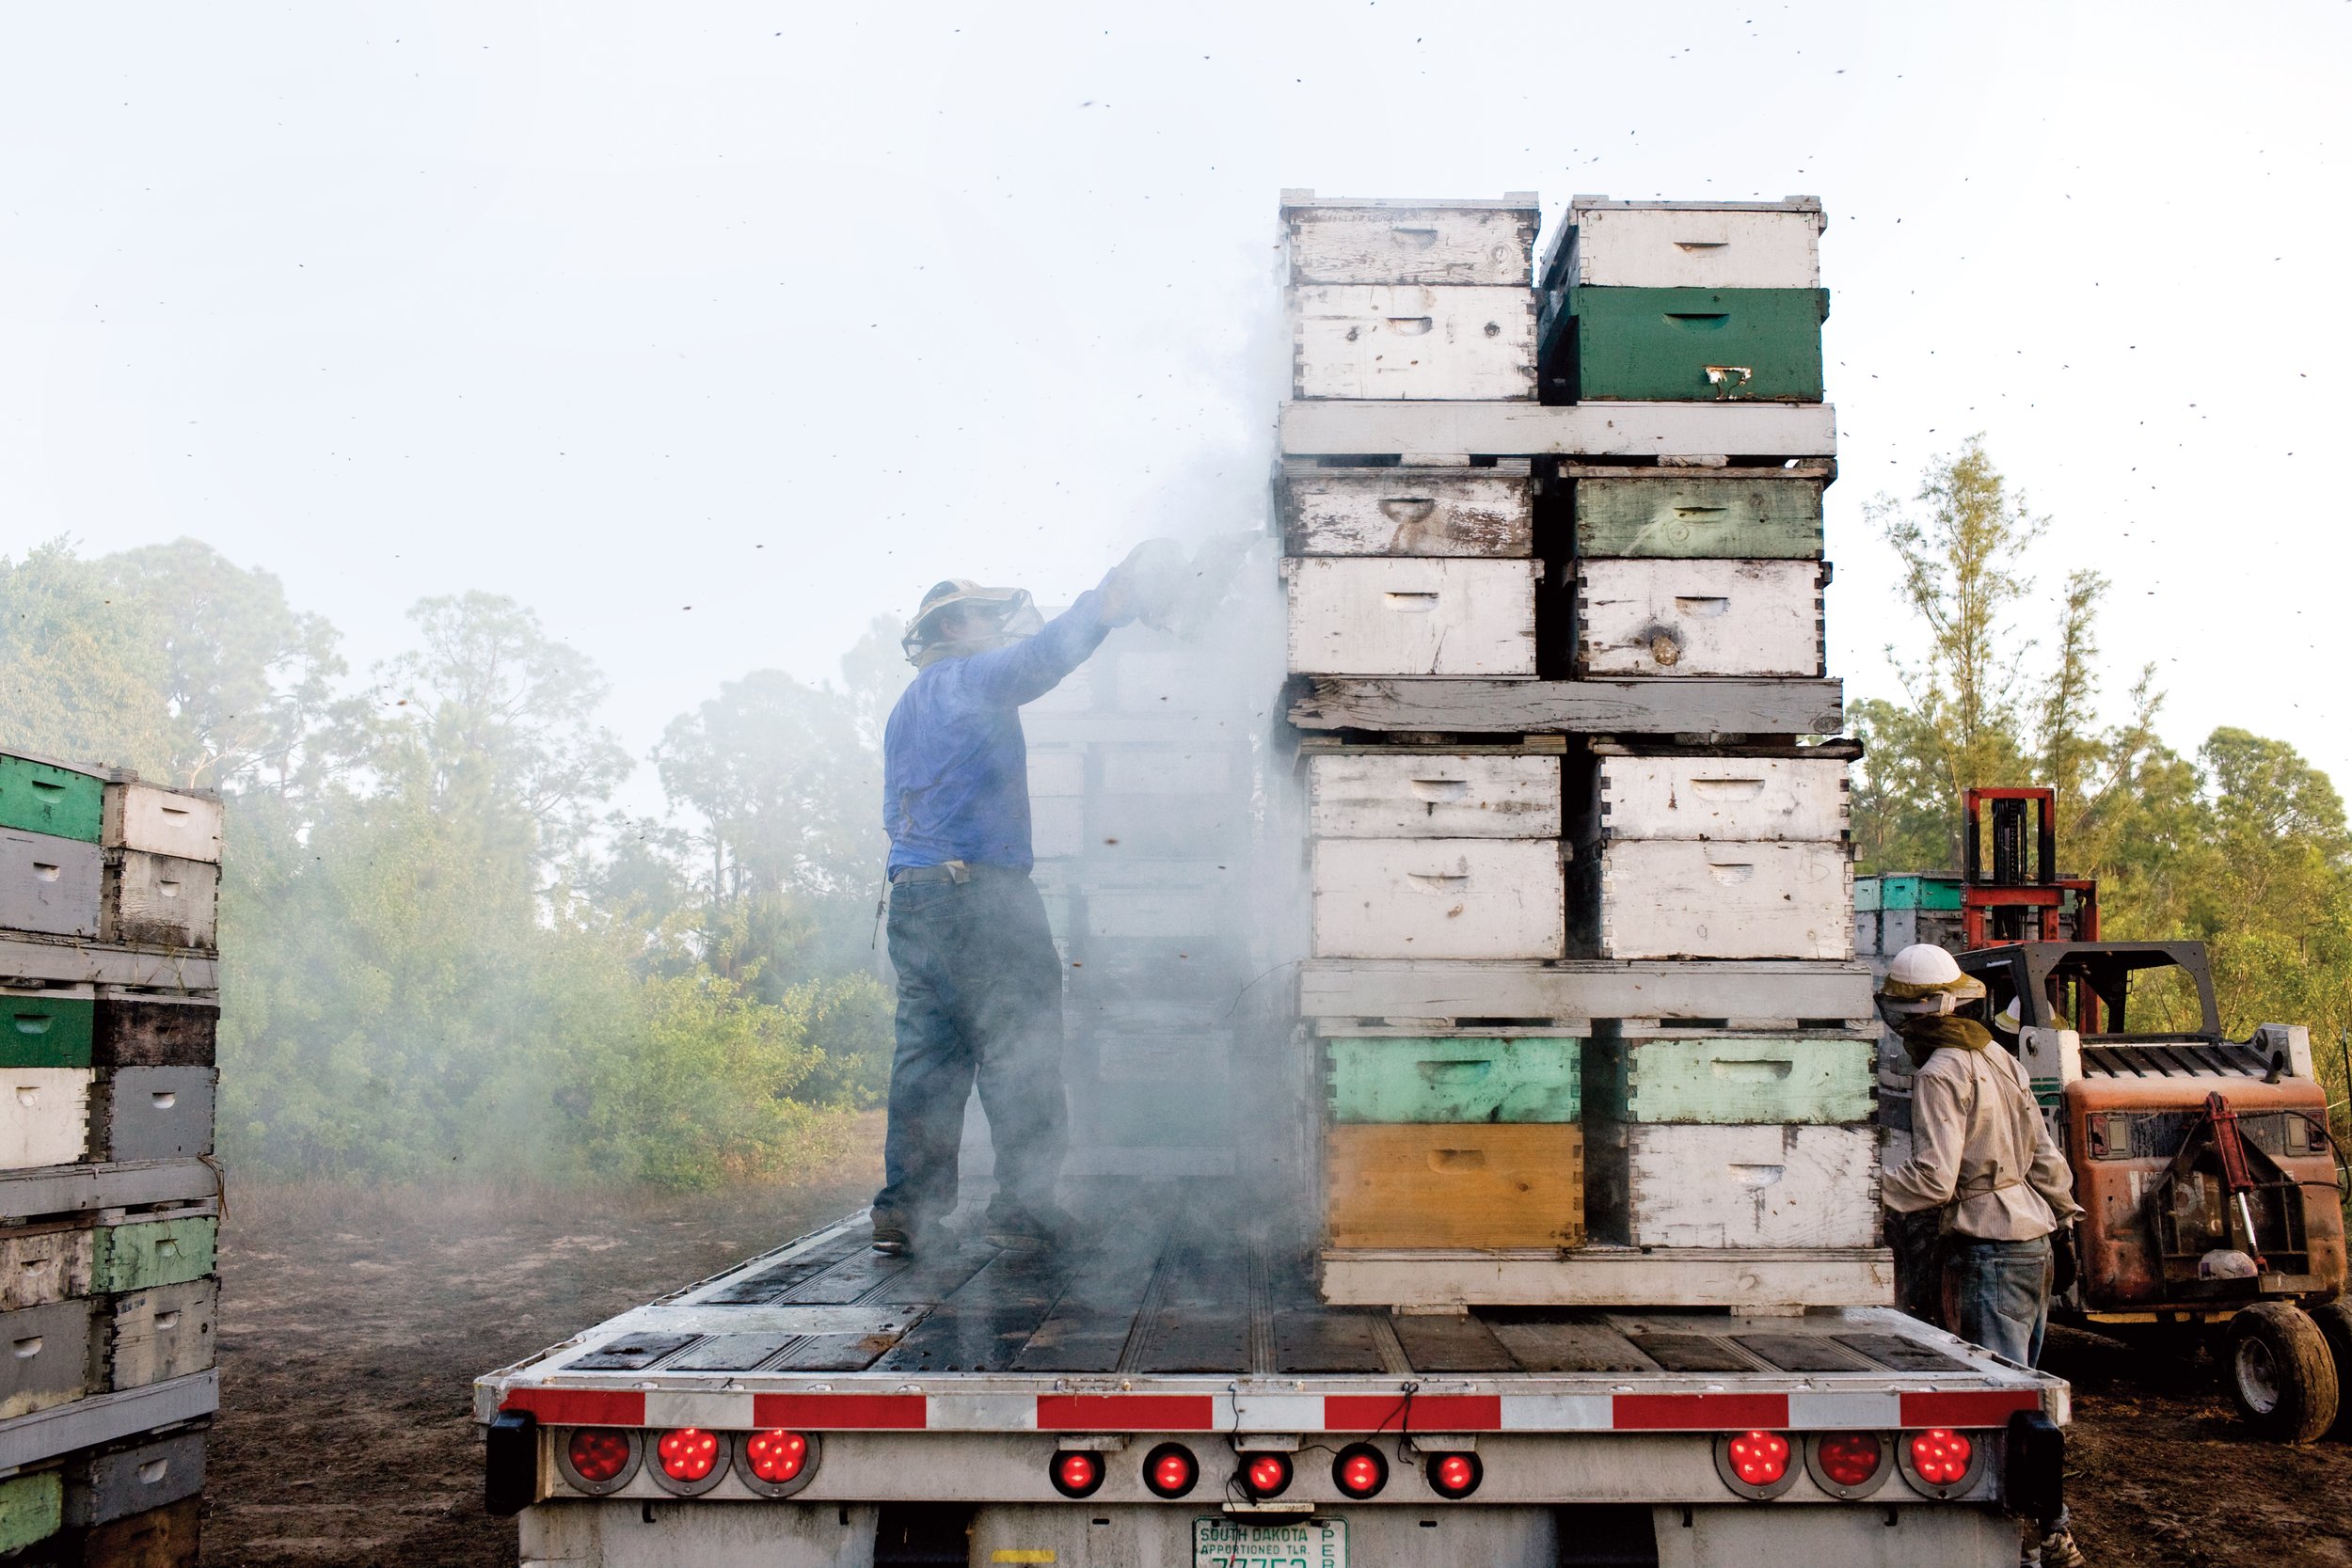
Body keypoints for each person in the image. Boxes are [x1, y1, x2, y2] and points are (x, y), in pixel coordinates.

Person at [867, 552, 1155, 1259]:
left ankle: (908, 1211)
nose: (993, 626)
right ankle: (1023, 1205)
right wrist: (1105, 603)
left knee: (927, 1062)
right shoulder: (967, 680)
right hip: (982, 897)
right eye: (983, 616)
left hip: (914, 897)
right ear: (953, 625)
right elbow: (1039, 659)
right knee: (1020, 1047)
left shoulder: (906, 709)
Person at [1877, 943, 2087, 1568]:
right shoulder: (1997, 1054)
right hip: (2035, 1241)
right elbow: (2045, 1155)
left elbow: (1935, 1180)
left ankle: (2047, 1535)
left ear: (1912, 1012)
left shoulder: (1941, 1068)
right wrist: (2068, 1222)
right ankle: (2049, 1530)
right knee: (2025, 1398)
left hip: (1991, 1246)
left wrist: (1867, 1188)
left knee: (2000, 1412)